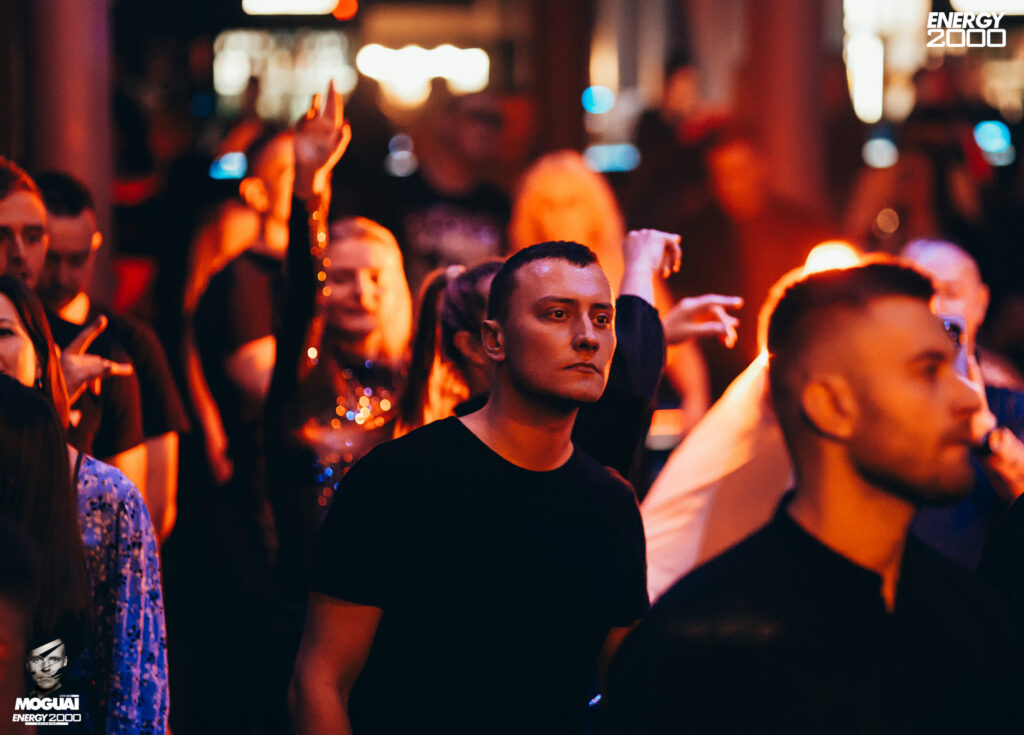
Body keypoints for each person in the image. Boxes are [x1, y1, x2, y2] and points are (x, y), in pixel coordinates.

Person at [601, 261, 1020, 733]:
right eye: (928, 371)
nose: (968, 399)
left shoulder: (974, 619)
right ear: (831, 406)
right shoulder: (702, 644)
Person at [290, 241, 649, 735]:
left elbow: (632, 695)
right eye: (558, 314)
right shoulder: (397, 480)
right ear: (493, 341)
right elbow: (320, 681)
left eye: (602, 319)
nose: (587, 337)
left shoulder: (612, 504)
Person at [0, 277, 168, 734]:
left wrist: (30, 714)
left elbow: (134, 684)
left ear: (42, 359)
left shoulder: (106, 498)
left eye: (3, 332)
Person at [35, 170, 191, 542]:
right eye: (51, 258)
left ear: (96, 245)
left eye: (77, 259)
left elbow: (157, 507)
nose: (62, 276)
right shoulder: (16, 335)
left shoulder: (131, 344)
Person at [0, 157, 146, 492]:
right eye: (1, 235)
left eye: (33, 236)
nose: (19, 253)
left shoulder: (99, 351)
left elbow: (132, 510)